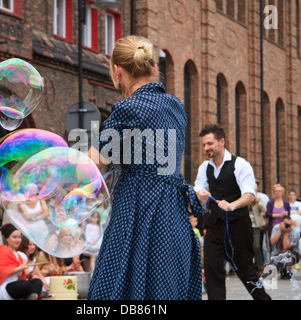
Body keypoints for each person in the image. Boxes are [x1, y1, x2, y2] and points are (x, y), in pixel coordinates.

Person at [87, 35, 203, 300]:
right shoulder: (176, 106)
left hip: (139, 206)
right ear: (153, 68)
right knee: (167, 284)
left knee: (123, 285)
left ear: (117, 71)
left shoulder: (127, 108)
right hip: (173, 210)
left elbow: (96, 159)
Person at [194, 123, 270, 300]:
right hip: (214, 226)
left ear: (222, 142)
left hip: (238, 226)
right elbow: (198, 187)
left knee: (246, 272)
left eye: (210, 144)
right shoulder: (205, 167)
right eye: (204, 144)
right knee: (212, 268)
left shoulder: (240, 164)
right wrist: (200, 193)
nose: (206, 148)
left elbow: (250, 195)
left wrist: (232, 205)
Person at [0, 224, 43, 300]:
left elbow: (22, 275)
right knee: (25, 284)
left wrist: (29, 274)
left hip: (14, 286)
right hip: (1, 288)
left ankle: (32, 296)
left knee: (37, 282)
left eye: (19, 237)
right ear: (7, 238)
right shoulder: (1, 250)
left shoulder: (18, 255)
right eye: (14, 237)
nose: (18, 240)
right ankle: (32, 295)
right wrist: (19, 268)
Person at [249, 187, 267, 270]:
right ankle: (250, 266)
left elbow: (264, 210)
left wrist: (258, 202)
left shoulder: (259, 200)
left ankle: (260, 266)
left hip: (257, 226)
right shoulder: (245, 200)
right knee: (248, 247)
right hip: (247, 226)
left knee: (257, 246)